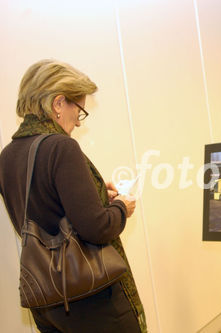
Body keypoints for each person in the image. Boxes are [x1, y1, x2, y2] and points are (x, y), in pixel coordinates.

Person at [0, 59, 147, 332]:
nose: (79, 123)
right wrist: (120, 208)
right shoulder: (61, 147)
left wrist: (95, 189)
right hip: (89, 296)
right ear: (57, 104)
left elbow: (43, 206)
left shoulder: (7, 156)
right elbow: (97, 228)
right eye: (78, 110)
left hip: (45, 299)